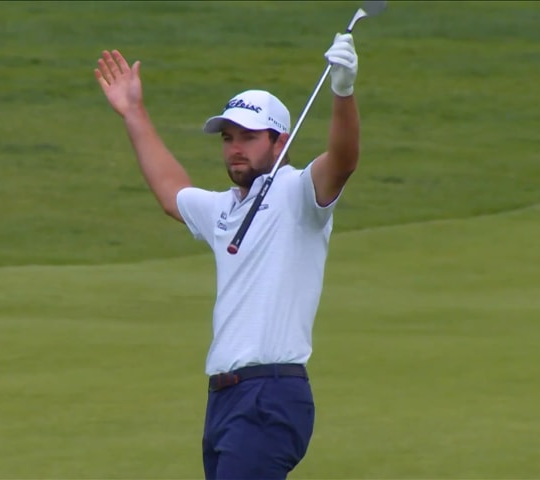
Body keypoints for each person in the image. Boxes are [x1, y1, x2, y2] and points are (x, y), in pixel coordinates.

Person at [94, 31, 360, 480]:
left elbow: (343, 159)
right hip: (224, 401)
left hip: (271, 395)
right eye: (229, 137)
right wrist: (133, 113)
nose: (235, 147)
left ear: (280, 142)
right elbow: (172, 192)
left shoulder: (298, 194)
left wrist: (342, 90)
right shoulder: (224, 208)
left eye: (250, 137)